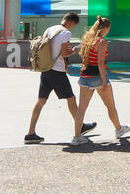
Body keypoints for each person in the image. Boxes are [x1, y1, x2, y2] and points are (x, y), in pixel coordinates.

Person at [26, 12, 97, 144]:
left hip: (46, 68)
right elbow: (64, 53)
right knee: (71, 98)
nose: (72, 28)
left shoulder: (50, 29)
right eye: (73, 25)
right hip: (57, 71)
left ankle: (30, 134)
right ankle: (80, 126)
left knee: (41, 101)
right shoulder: (66, 33)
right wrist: (74, 51)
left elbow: (52, 49)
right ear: (71, 22)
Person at [72, 16, 130, 145]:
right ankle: (118, 129)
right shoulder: (102, 42)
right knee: (110, 106)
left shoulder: (87, 39)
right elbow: (100, 62)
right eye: (109, 28)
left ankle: (76, 137)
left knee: (81, 109)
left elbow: (82, 55)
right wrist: (104, 81)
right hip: (98, 77)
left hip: (84, 76)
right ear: (106, 28)